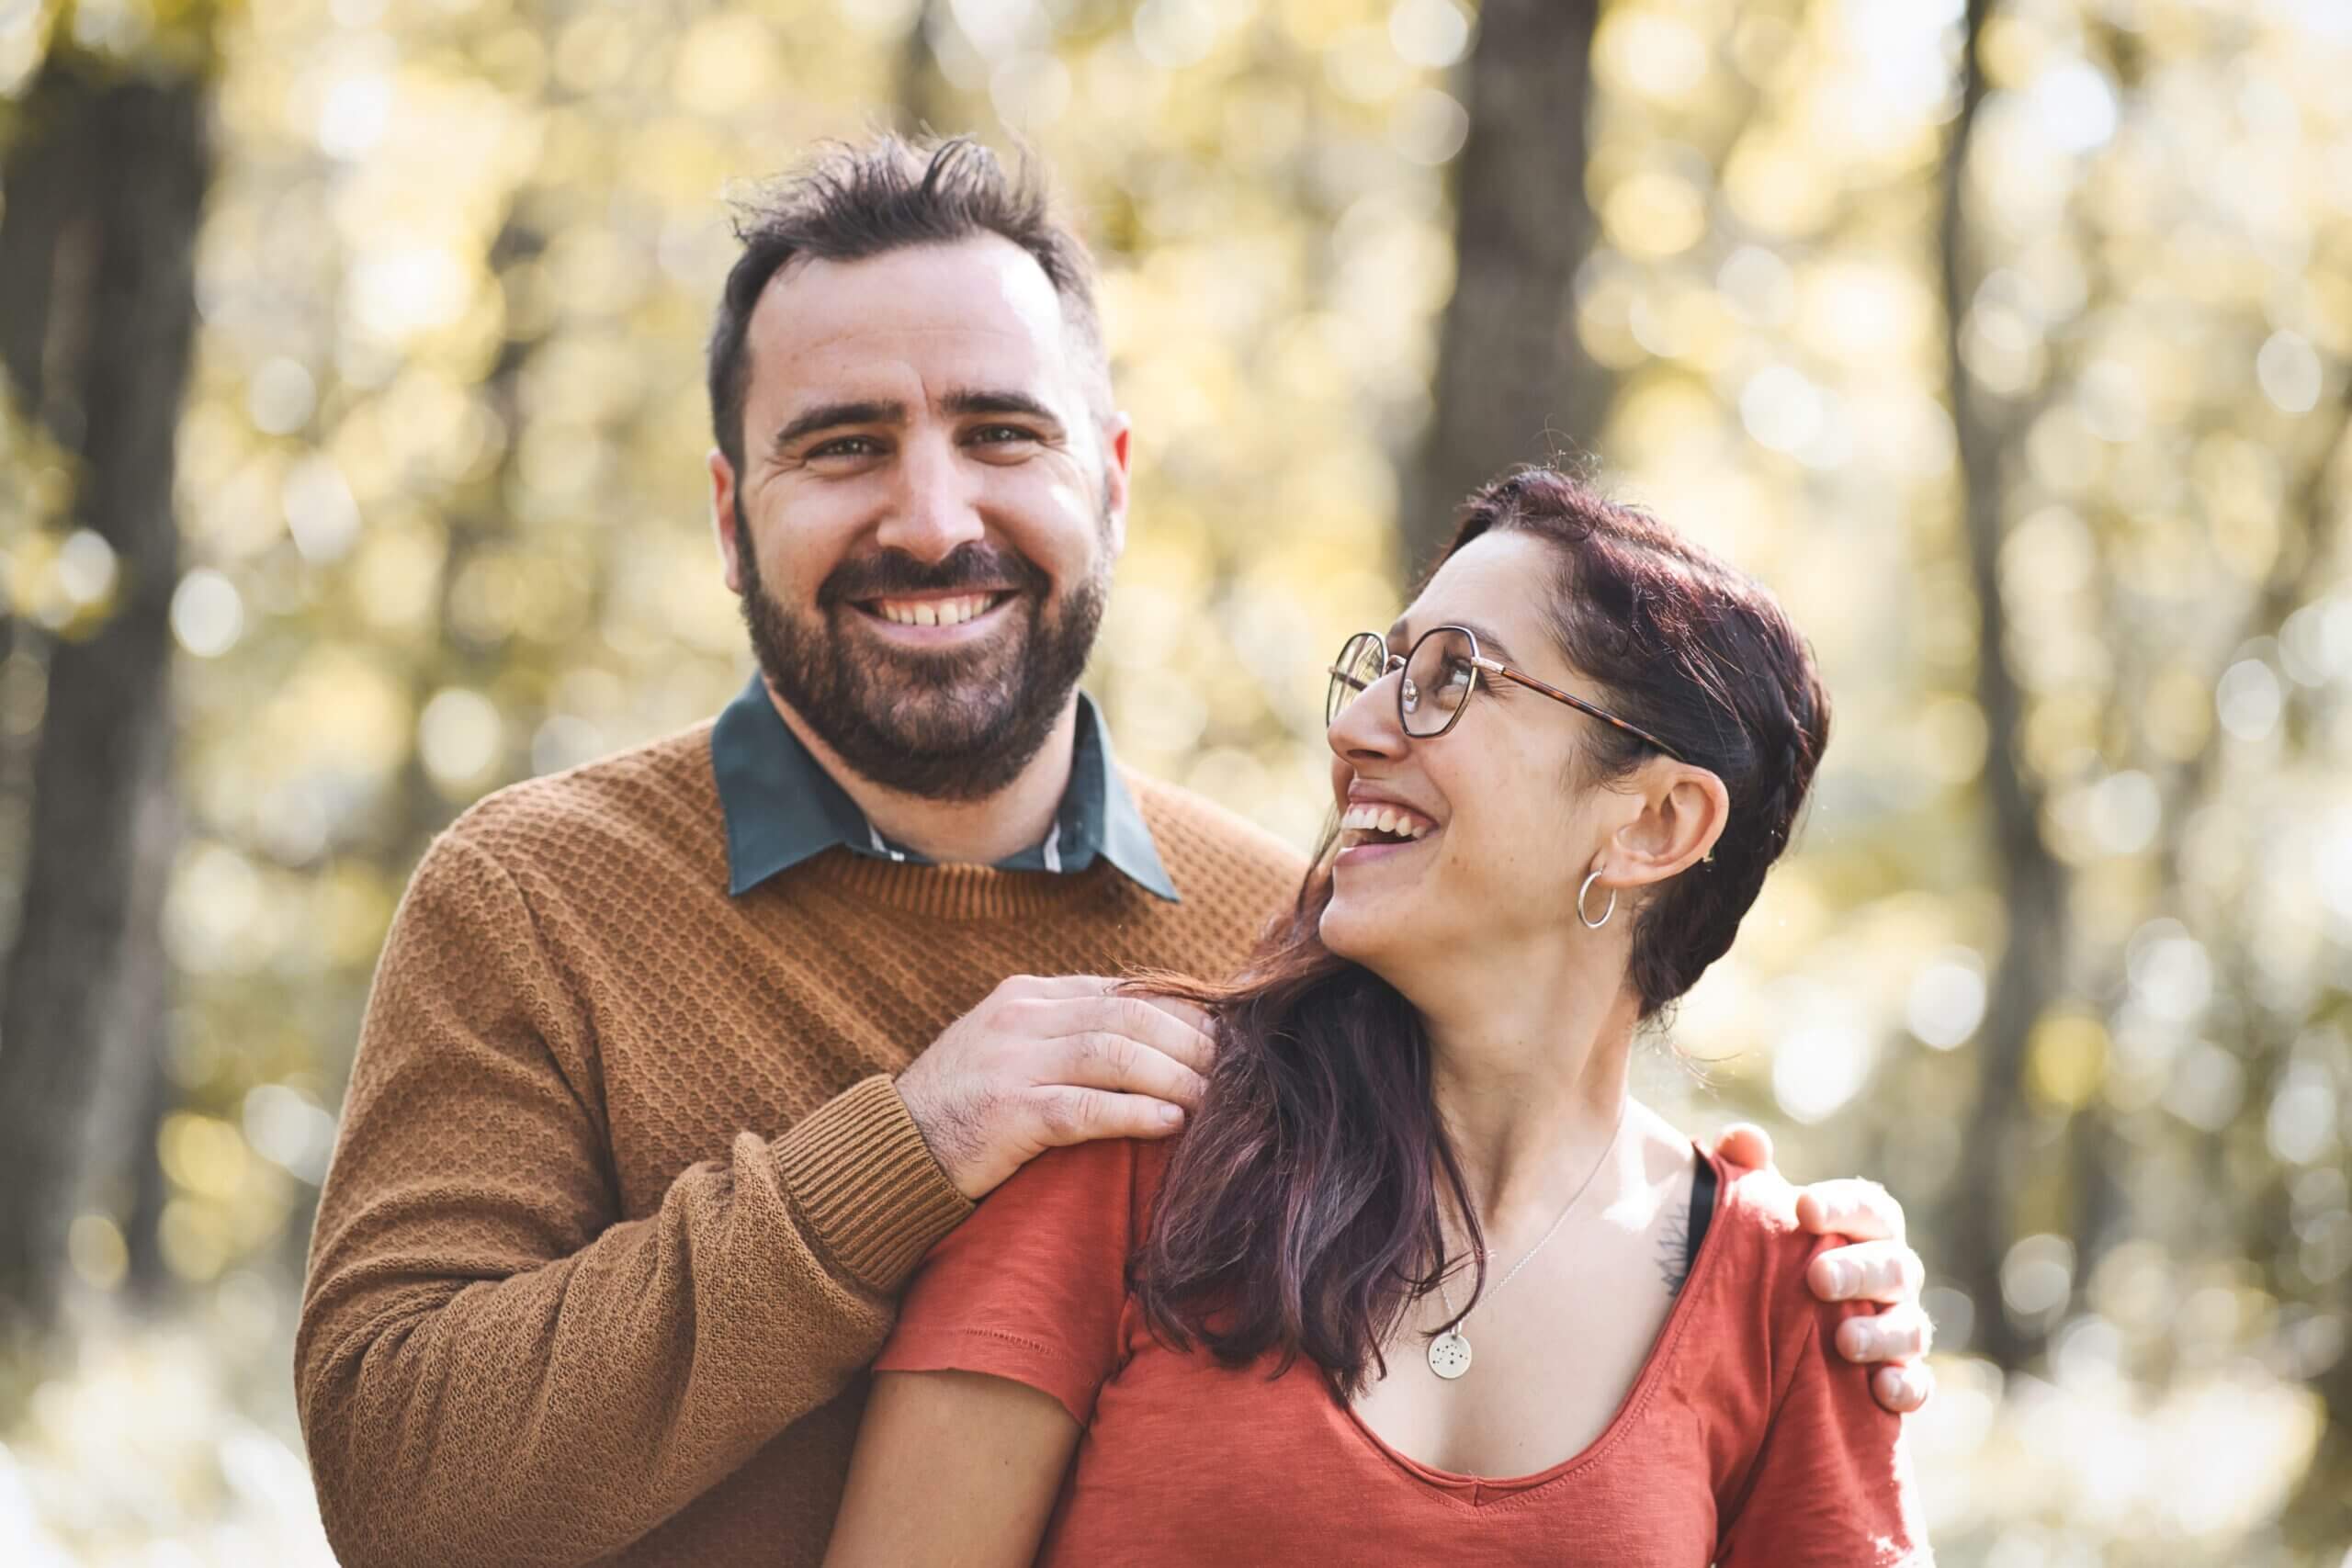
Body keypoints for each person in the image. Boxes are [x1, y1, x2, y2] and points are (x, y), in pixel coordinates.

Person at [295, 135, 1933, 1568]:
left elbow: (1537, 1121)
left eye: (1003, 433)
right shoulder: (535, 896)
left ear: (1115, 479)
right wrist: (905, 1149)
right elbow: (394, 1485)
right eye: (844, 443)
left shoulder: (1290, 928)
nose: (932, 516)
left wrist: (1780, 1262)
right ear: (730, 514)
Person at [828, 467, 1931, 1565]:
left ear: (1654, 824)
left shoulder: (1799, 1299)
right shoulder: (1125, 1139)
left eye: (1453, 679)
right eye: (1383, 667)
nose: (1355, 727)